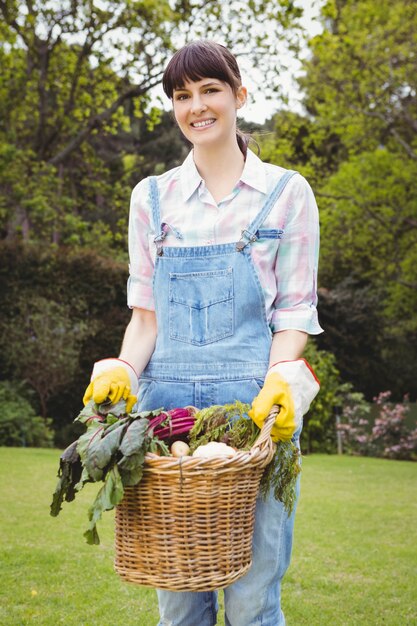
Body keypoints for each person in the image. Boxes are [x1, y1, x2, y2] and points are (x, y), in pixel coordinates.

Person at [83, 40, 323, 626]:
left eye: (210, 89)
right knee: (179, 598)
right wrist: (122, 369)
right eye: (181, 95)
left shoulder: (286, 194)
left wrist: (278, 386)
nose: (197, 106)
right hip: (168, 421)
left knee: (254, 597)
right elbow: (146, 317)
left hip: (256, 413)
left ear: (239, 95)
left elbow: (294, 314)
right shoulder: (152, 199)